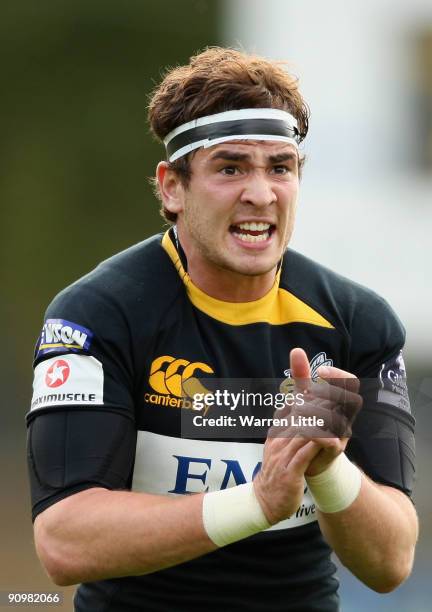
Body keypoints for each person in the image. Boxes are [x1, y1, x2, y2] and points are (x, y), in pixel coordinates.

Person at [27, 47, 418, 611]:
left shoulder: (357, 322)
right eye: (230, 167)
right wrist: (258, 502)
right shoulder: (97, 315)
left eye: (280, 167)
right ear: (171, 188)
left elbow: (391, 562)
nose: (260, 193)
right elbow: (64, 541)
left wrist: (328, 466)